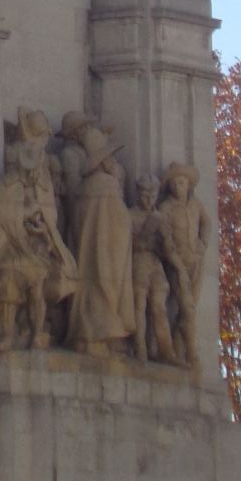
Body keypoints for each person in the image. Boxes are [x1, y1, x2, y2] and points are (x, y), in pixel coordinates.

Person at [0, 108, 78, 351]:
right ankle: (6, 334)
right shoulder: (6, 185)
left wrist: (42, 229)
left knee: (37, 287)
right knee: (7, 286)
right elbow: (0, 213)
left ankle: (37, 333)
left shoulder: (42, 179)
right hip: (12, 249)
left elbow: (48, 213)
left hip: (36, 248)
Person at [66, 121, 136, 356]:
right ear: (102, 160)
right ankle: (101, 335)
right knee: (106, 284)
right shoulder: (106, 185)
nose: (113, 162)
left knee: (91, 283)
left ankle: (90, 334)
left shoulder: (86, 187)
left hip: (88, 250)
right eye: (109, 157)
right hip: (107, 251)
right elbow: (120, 222)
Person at [158, 162, 211, 369]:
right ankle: (192, 355)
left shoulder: (196, 205)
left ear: (189, 185)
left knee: (188, 310)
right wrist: (176, 263)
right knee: (188, 308)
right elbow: (164, 238)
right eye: (176, 183)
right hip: (177, 265)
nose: (180, 187)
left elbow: (206, 223)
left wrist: (203, 243)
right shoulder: (166, 208)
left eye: (183, 183)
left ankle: (178, 351)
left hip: (196, 263)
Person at [129, 174, 177, 365]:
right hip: (138, 263)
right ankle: (140, 347)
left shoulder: (160, 217)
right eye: (145, 195)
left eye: (153, 195)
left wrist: (165, 240)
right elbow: (126, 244)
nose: (149, 199)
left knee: (159, 307)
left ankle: (166, 350)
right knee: (139, 306)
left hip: (155, 265)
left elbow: (168, 250)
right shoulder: (130, 215)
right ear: (138, 194)